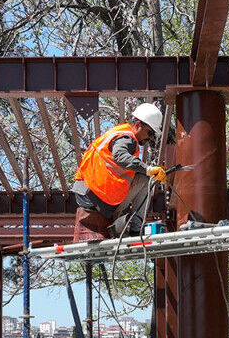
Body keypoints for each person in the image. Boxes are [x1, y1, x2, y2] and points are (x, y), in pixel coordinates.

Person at [71, 103, 168, 241]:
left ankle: (126, 225)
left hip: (91, 194)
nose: (150, 138)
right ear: (138, 124)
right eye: (150, 133)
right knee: (145, 179)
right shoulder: (126, 138)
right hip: (95, 196)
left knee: (142, 176)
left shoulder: (119, 134)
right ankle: (136, 230)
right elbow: (120, 156)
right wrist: (149, 169)